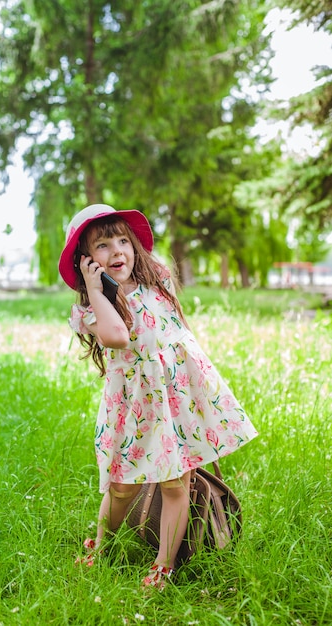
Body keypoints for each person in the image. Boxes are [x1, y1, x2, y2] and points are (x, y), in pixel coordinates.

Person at [59, 204, 258, 590]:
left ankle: (163, 565)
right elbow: (116, 335)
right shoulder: (90, 307)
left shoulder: (156, 283)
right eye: (102, 246)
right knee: (120, 485)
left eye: (122, 241)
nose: (117, 251)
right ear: (86, 261)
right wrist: (98, 290)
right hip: (134, 407)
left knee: (175, 484)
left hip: (176, 399)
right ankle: (101, 548)